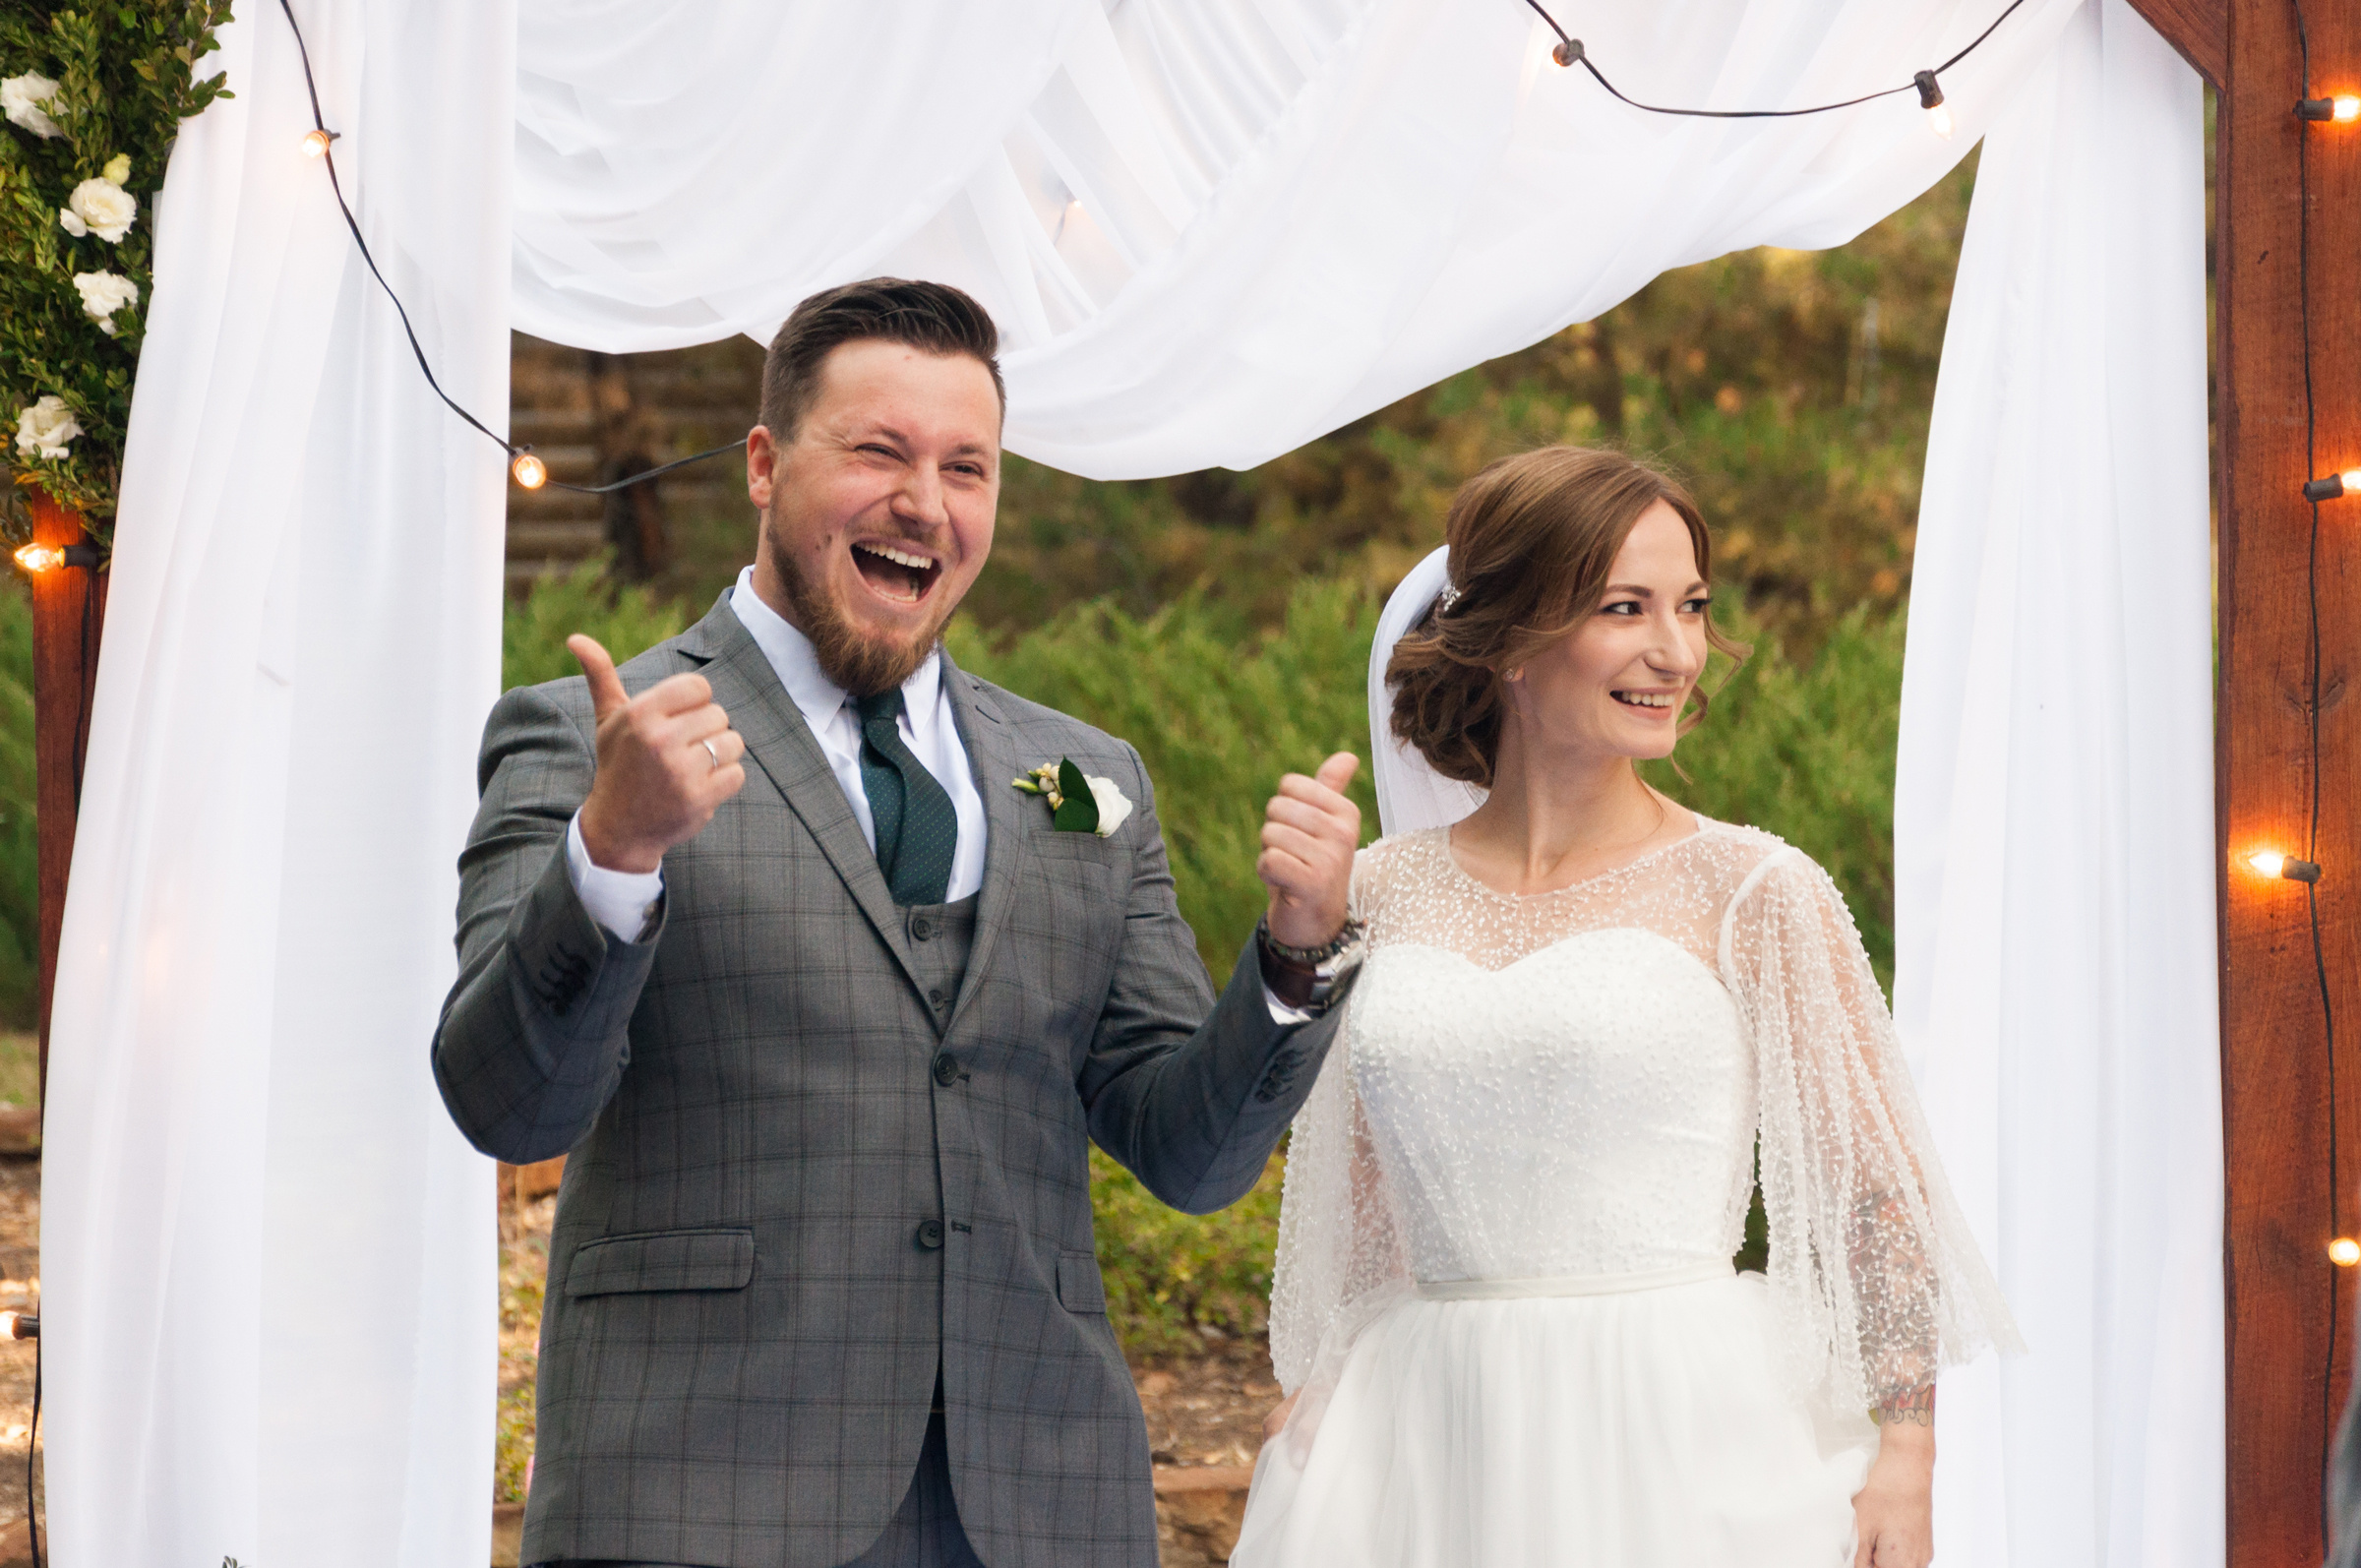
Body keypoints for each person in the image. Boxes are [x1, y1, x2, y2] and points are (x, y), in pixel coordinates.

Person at [432, 278, 1364, 1568]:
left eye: (966, 466)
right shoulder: (587, 736)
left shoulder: (1084, 779)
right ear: (765, 463)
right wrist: (615, 848)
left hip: (1038, 1507)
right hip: (700, 1500)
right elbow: (509, 1105)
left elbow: (1186, 1156)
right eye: (879, 450)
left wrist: (1295, 956)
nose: (925, 500)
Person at [1231, 447, 2021, 1568]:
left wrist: (1907, 1452)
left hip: (1677, 1425)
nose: (1678, 651)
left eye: (1692, 607)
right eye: (1626, 607)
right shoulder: (1377, 890)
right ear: (1509, 637)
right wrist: (1316, 1386)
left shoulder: (1754, 887)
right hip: (1420, 1436)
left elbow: (1874, 1189)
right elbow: (1355, 1189)